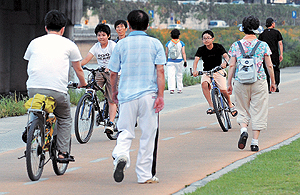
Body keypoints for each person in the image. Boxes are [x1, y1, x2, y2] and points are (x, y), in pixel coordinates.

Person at [108, 10, 166, 184]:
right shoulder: (156, 44)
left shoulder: (121, 45)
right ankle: (144, 175)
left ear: (128, 25)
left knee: (125, 131)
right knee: (148, 134)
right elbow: (160, 71)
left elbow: (112, 73)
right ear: (148, 26)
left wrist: (114, 90)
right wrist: (161, 96)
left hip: (127, 95)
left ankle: (121, 156)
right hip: (149, 95)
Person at [23, 10, 87, 162]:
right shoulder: (69, 44)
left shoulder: (34, 42)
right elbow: (78, 69)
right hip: (57, 91)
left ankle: (32, 127)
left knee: (37, 106)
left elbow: (30, 63)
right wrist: (83, 83)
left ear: (46, 27)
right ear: (63, 29)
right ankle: (62, 153)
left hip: (33, 88)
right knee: (64, 117)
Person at [227, 15, 276, 152]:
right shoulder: (263, 45)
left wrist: (229, 83)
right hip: (259, 81)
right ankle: (254, 142)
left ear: (243, 28)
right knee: (258, 110)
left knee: (242, 108)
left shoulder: (236, 45)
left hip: (240, 81)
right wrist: (273, 82)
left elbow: (231, 66)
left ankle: (243, 130)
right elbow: (269, 65)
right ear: (256, 29)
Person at [81, 23, 117, 133]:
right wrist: (79, 65)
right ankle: (91, 103)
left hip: (112, 72)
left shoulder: (112, 45)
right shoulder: (96, 46)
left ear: (109, 36)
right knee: (91, 88)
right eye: (99, 35)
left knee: (111, 99)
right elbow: (87, 58)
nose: (101, 37)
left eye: (103, 35)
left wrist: (109, 67)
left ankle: (111, 122)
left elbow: (117, 59)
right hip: (100, 72)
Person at [192, 30, 237, 117]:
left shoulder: (218, 47)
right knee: (204, 84)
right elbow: (196, 60)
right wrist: (195, 70)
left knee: (223, 89)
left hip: (218, 71)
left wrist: (225, 63)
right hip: (207, 72)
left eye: (208, 38)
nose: (206, 40)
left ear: (213, 39)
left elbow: (226, 56)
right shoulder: (201, 49)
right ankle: (211, 105)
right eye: (204, 38)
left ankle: (230, 104)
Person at [258, 17, 283, 93]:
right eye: (274, 23)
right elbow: (280, 43)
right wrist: (281, 54)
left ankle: (268, 87)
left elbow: (259, 44)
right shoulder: (277, 33)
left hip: (265, 55)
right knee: (275, 69)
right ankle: (275, 85)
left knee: (266, 70)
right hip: (274, 54)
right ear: (272, 24)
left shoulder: (262, 33)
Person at [165, 29, 187, 94]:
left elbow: (166, 53)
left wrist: (165, 61)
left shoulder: (168, 43)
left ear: (171, 35)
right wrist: (185, 61)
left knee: (171, 75)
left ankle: (171, 89)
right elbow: (183, 52)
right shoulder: (181, 43)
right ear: (179, 35)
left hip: (170, 61)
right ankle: (179, 89)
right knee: (179, 74)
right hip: (179, 60)